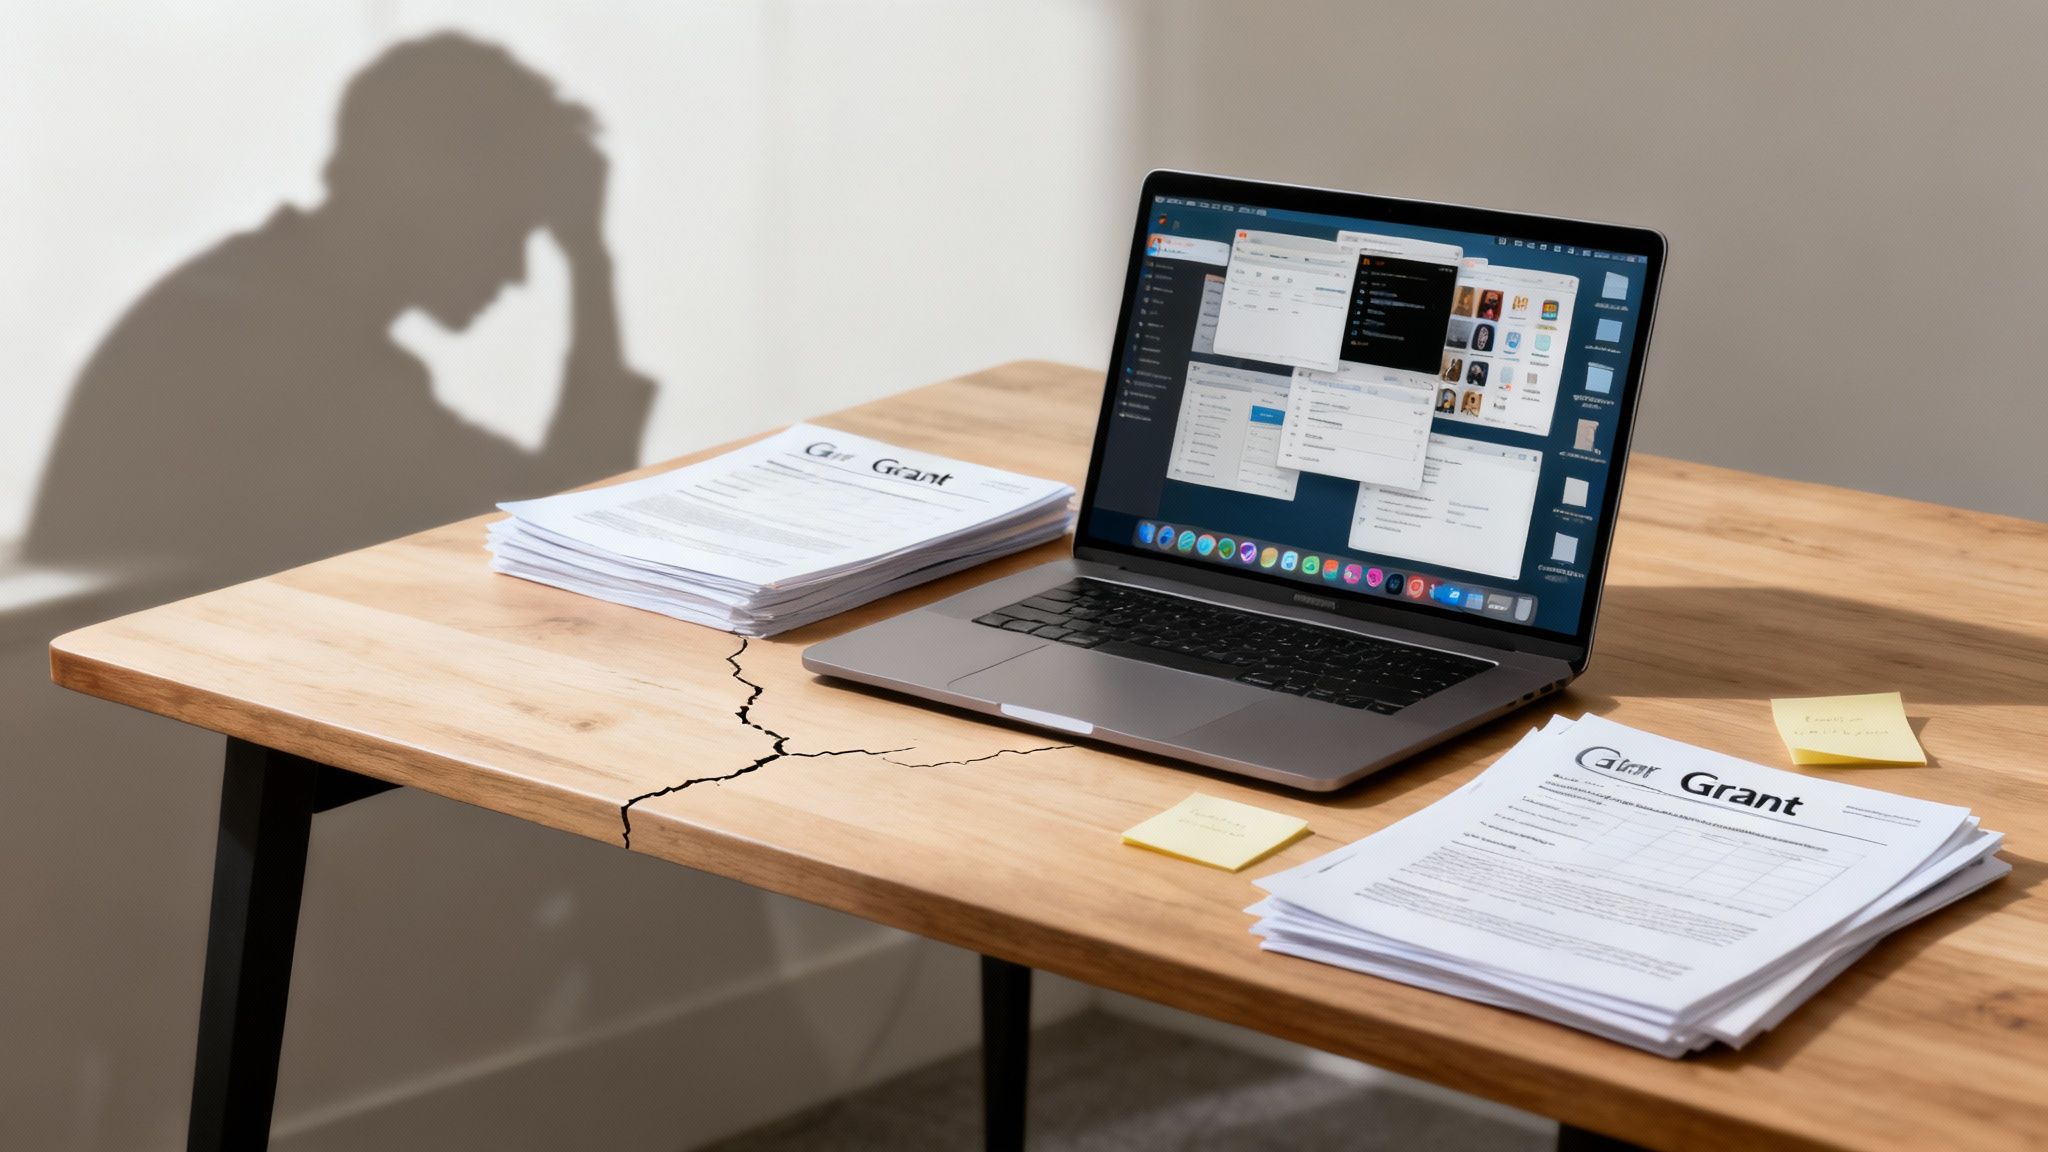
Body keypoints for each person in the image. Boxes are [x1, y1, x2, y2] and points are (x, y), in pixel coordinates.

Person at [21, 33, 656, 590]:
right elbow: (568, 536)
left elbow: (551, 510)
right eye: (513, 227)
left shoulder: (248, 310)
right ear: (431, 192)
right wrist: (589, 264)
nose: (517, 274)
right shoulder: (266, 347)